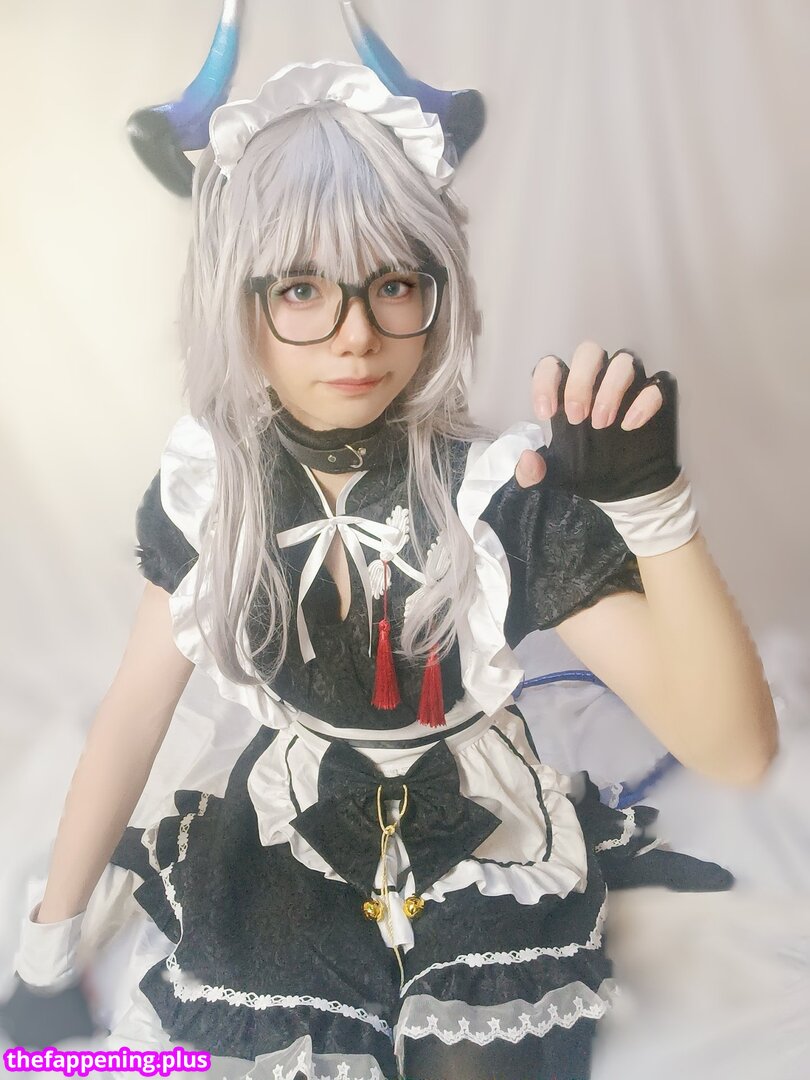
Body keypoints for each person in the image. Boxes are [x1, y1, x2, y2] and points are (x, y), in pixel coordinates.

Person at [11, 40, 778, 1080]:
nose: (357, 336)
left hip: (481, 831)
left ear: (437, 291)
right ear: (238, 303)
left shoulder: (496, 497)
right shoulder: (212, 496)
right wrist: (47, 953)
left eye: (394, 283)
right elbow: (133, 715)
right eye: (301, 289)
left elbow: (735, 753)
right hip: (289, 832)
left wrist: (654, 514)